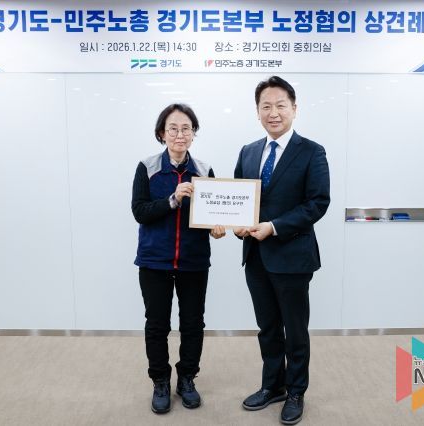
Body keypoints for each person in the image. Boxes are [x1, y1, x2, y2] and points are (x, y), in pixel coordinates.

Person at [233, 76, 330, 425]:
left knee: (295, 329)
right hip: (256, 257)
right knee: (268, 327)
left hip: (292, 256)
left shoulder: (312, 151)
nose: (273, 113)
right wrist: (238, 224)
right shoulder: (248, 151)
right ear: (257, 111)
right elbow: (238, 200)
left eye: (280, 105)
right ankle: (272, 385)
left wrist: (273, 226)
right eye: (266, 106)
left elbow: (317, 203)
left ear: (294, 109)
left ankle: (296, 391)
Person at [132, 103, 226, 414]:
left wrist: (216, 228)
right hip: (154, 261)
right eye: (173, 128)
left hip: (193, 261)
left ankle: (187, 379)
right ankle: (160, 381)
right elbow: (140, 211)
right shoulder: (147, 167)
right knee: (157, 324)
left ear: (193, 133)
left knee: (193, 324)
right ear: (162, 133)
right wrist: (172, 199)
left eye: (186, 128)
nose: (180, 134)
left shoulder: (204, 170)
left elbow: (212, 213)